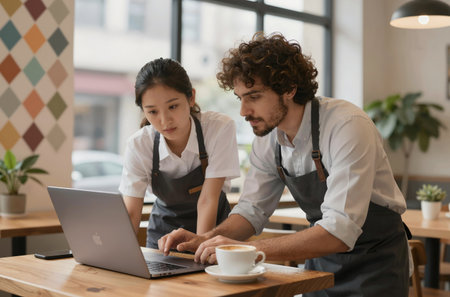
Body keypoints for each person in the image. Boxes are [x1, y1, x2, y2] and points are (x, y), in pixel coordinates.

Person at [158, 33, 410, 297]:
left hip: (376, 262)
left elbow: (339, 231)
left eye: (253, 96)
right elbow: (251, 211)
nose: (243, 111)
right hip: (322, 262)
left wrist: (250, 251)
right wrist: (206, 239)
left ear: (289, 88)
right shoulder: (268, 140)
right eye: (240, 98)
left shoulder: (347, 126)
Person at [119, 58, 240, 249]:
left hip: (213, 234)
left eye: (173, 106)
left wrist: (201, 250)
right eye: (152, 112)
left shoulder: (218, 128)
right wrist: (118, 259)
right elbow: (131, 212)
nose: (165, 121)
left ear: (191, 97)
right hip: (162, 237)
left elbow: (208, 199)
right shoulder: (139, 144)